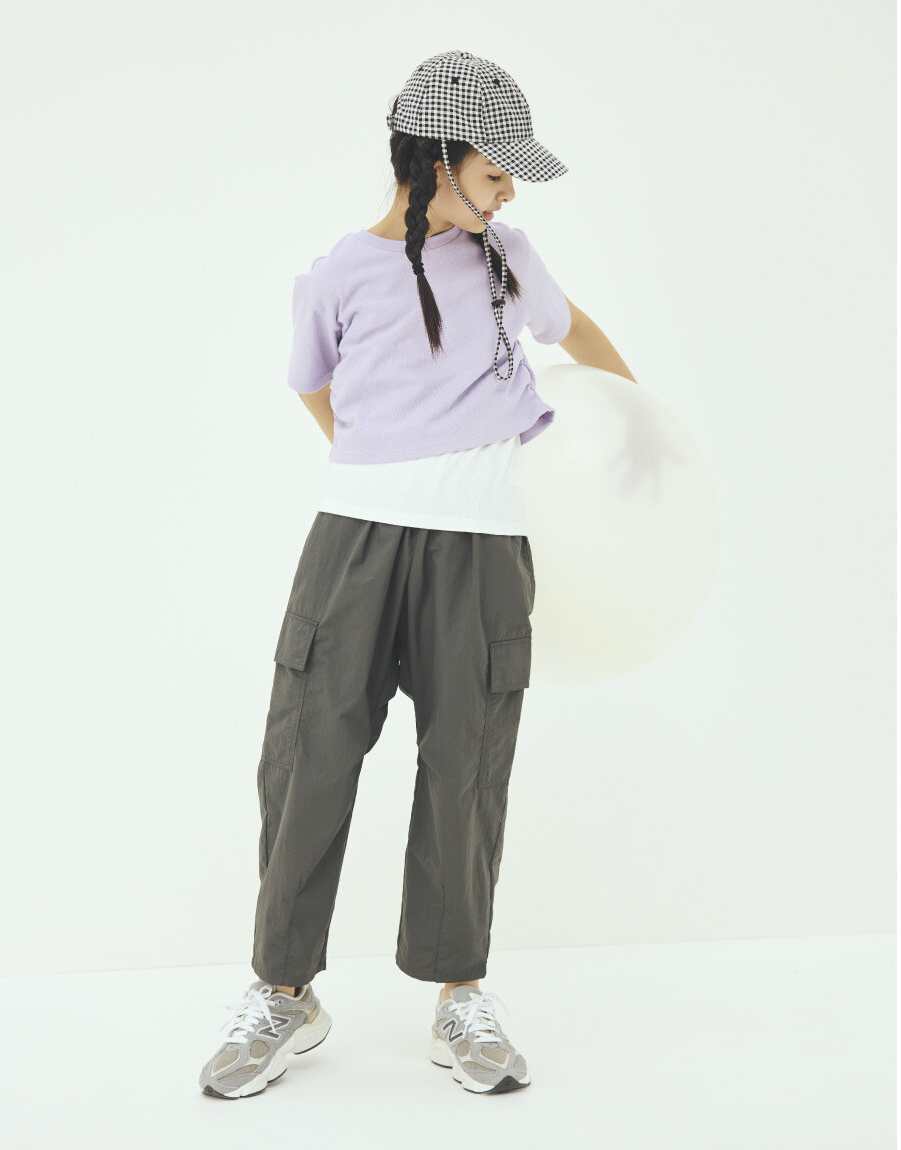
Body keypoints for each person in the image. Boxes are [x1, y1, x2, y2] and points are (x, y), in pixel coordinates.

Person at [198, 50, 635, 1100]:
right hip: (354, 542)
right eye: (495, 171)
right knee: (309, 755)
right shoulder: (340, 272)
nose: (509, 192)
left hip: (480, 547)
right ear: (438, 161)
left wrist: (639, 426)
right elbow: (314, 387)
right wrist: (383, 463)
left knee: (465, 764)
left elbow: (576, 333)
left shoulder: (507, 259)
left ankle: (460, 993)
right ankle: (284, 991)